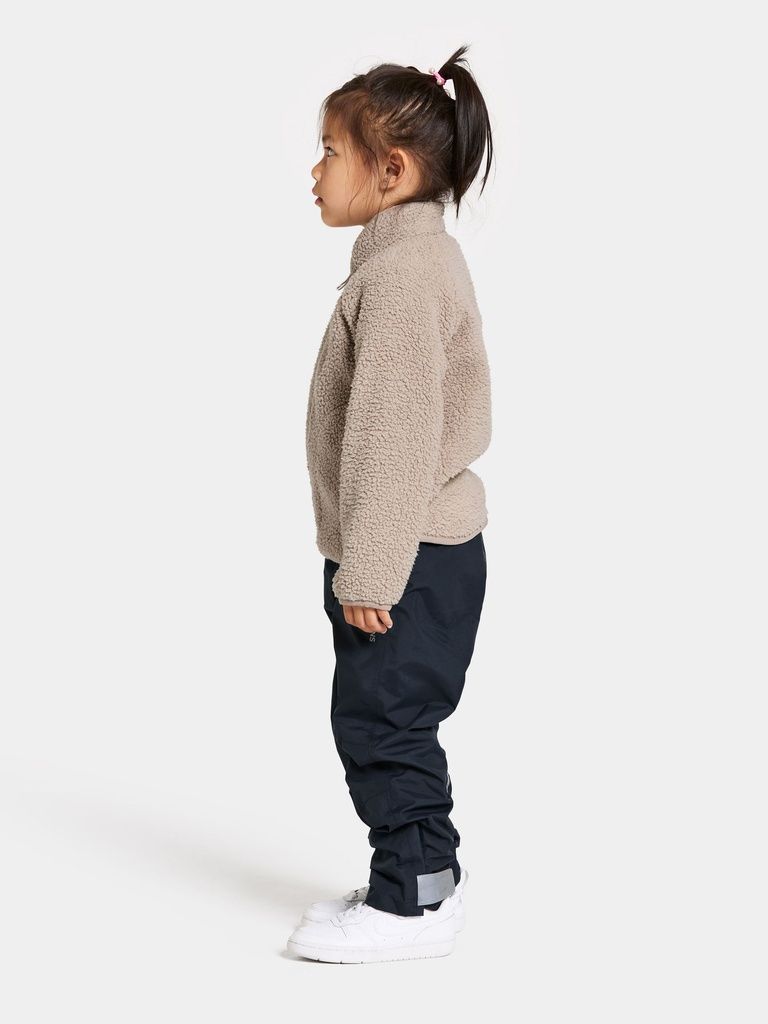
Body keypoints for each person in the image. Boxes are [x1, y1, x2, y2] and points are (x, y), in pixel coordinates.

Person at [287, 43, 494, 964]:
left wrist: (369, 570)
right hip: (418, 550)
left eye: (331, 150)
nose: (315, 170)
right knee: (388, 717)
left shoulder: (403, 278)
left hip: (406, 557)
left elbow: (392, 434)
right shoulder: (407, 261)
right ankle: (413, 876)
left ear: (392, 171)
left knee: (385, 723)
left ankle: (414, 904)